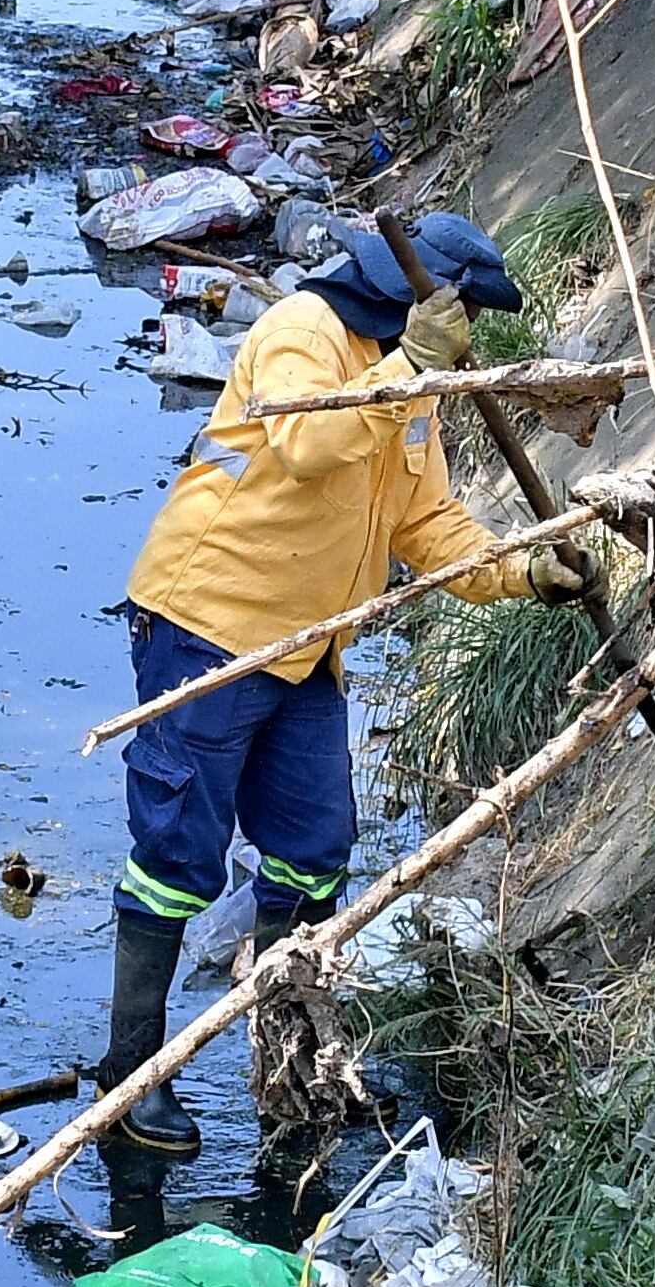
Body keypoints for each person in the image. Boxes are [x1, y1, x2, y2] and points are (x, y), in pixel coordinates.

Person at [99, 213, 593, 1150]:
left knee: (313, 850)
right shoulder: (302, 332)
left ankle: (289, 1060)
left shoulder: (407, 381)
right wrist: (409, 367)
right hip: (207, 628)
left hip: (305, 647)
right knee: (177, 859)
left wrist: (521, 570)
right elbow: (304, 444)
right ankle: (129, 1083)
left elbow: (427, 523)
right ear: (419, 294)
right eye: (462, 312)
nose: (470, 334)